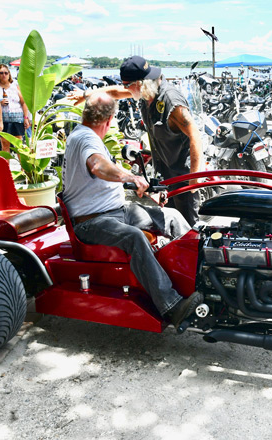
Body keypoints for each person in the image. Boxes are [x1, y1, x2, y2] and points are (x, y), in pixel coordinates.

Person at [63, 93, 203, 328]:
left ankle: (200, 279)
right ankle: (172, 306)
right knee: (135, 237)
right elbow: (98, 166)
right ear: (109, 120)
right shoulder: (84, 138)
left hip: (117, 211)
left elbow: (109, 173)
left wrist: (146, 189)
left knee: (171, 216)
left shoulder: (86, 135)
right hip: (91, 222)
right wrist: (130, 177)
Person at [69, 56, 204, 227]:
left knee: (188, 227)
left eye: (127, 85)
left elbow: (195, 134)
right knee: (170, 223)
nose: (125, 89)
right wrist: (85, 95)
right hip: (165, 174)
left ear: (140, 83)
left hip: (182, 175)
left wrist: (194, 177)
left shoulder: (170, 100)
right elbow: (115, 92)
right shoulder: (147, 93)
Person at [0, 64, 29, 153]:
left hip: (17, 119)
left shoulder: (15, 85)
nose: (4, 75)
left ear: (9, 74)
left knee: (19, 146)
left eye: (6, 73)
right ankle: (6, 162)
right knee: (5, 145)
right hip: (3, 120)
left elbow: (23, 102)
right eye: (1, 73)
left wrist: (26, 118)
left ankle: (22, 162)